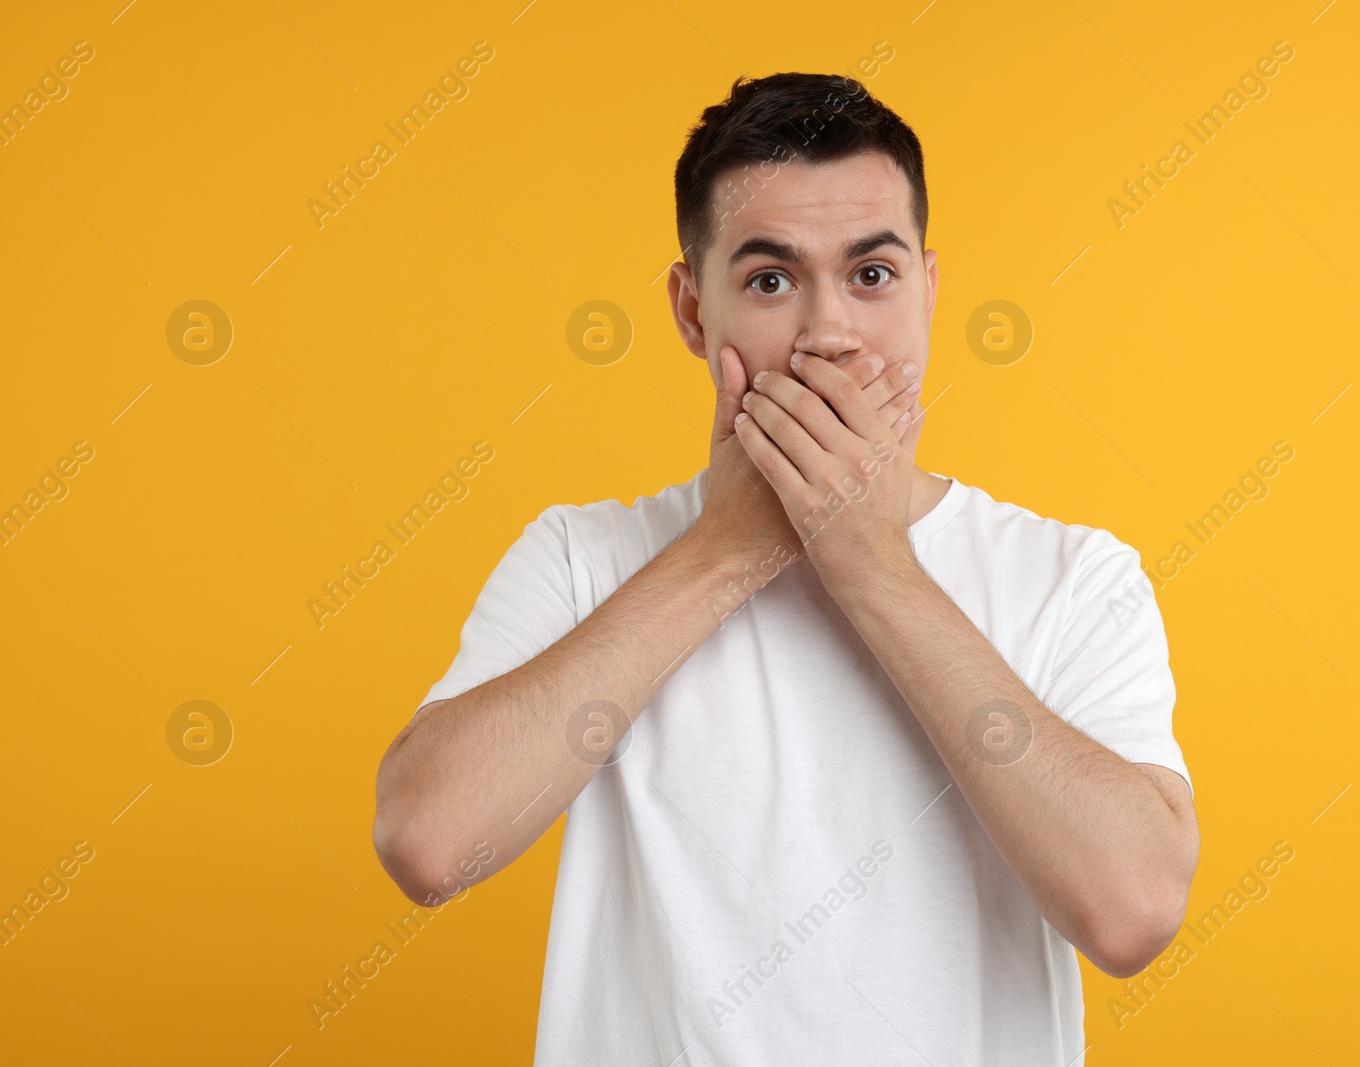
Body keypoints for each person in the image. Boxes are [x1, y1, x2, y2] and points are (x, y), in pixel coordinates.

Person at [373, 71, 1199, 1064]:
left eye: (872, 275)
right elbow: (428, 841)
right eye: (770, 280)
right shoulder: (581, 556)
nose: (828, 333)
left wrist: (875, 568)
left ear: (929, 292)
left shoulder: (1074, 576)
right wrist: (727, 551)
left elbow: (1134, 909)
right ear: (691, 310)